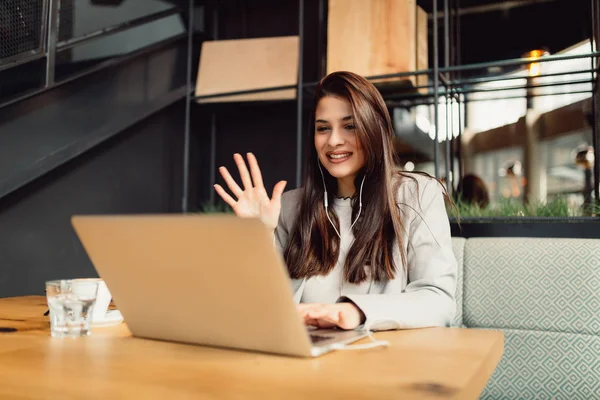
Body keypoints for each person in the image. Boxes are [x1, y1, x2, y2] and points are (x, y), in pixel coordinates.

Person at [214, 71, 457, 332]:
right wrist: (259, 236)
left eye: (350, 126)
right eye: (323, 128)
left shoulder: (417, 195)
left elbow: (438, 300)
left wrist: (354, 311)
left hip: (385, 360)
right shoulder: (290, 207)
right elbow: (264, 310)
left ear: (374, 129)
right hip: (306, 362)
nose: (333, 140)